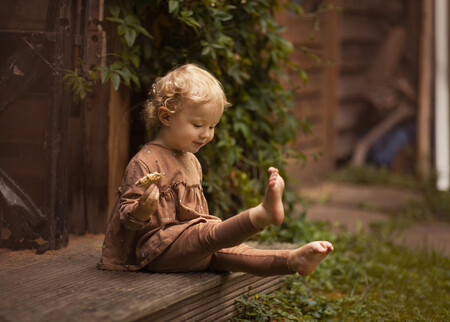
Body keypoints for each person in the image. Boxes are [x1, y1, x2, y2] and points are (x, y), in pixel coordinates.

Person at [97, 64, 333, 276]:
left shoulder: (191, 160)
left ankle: (293, 260)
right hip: (155, 251)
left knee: (233, 253)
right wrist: (141, 210)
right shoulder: (145, 161)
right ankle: (261, 215)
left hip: (190, 246)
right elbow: (126, 217)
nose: (207, 134)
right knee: (209, 235)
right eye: (198, 125)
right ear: (166, 117)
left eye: (212, 126)